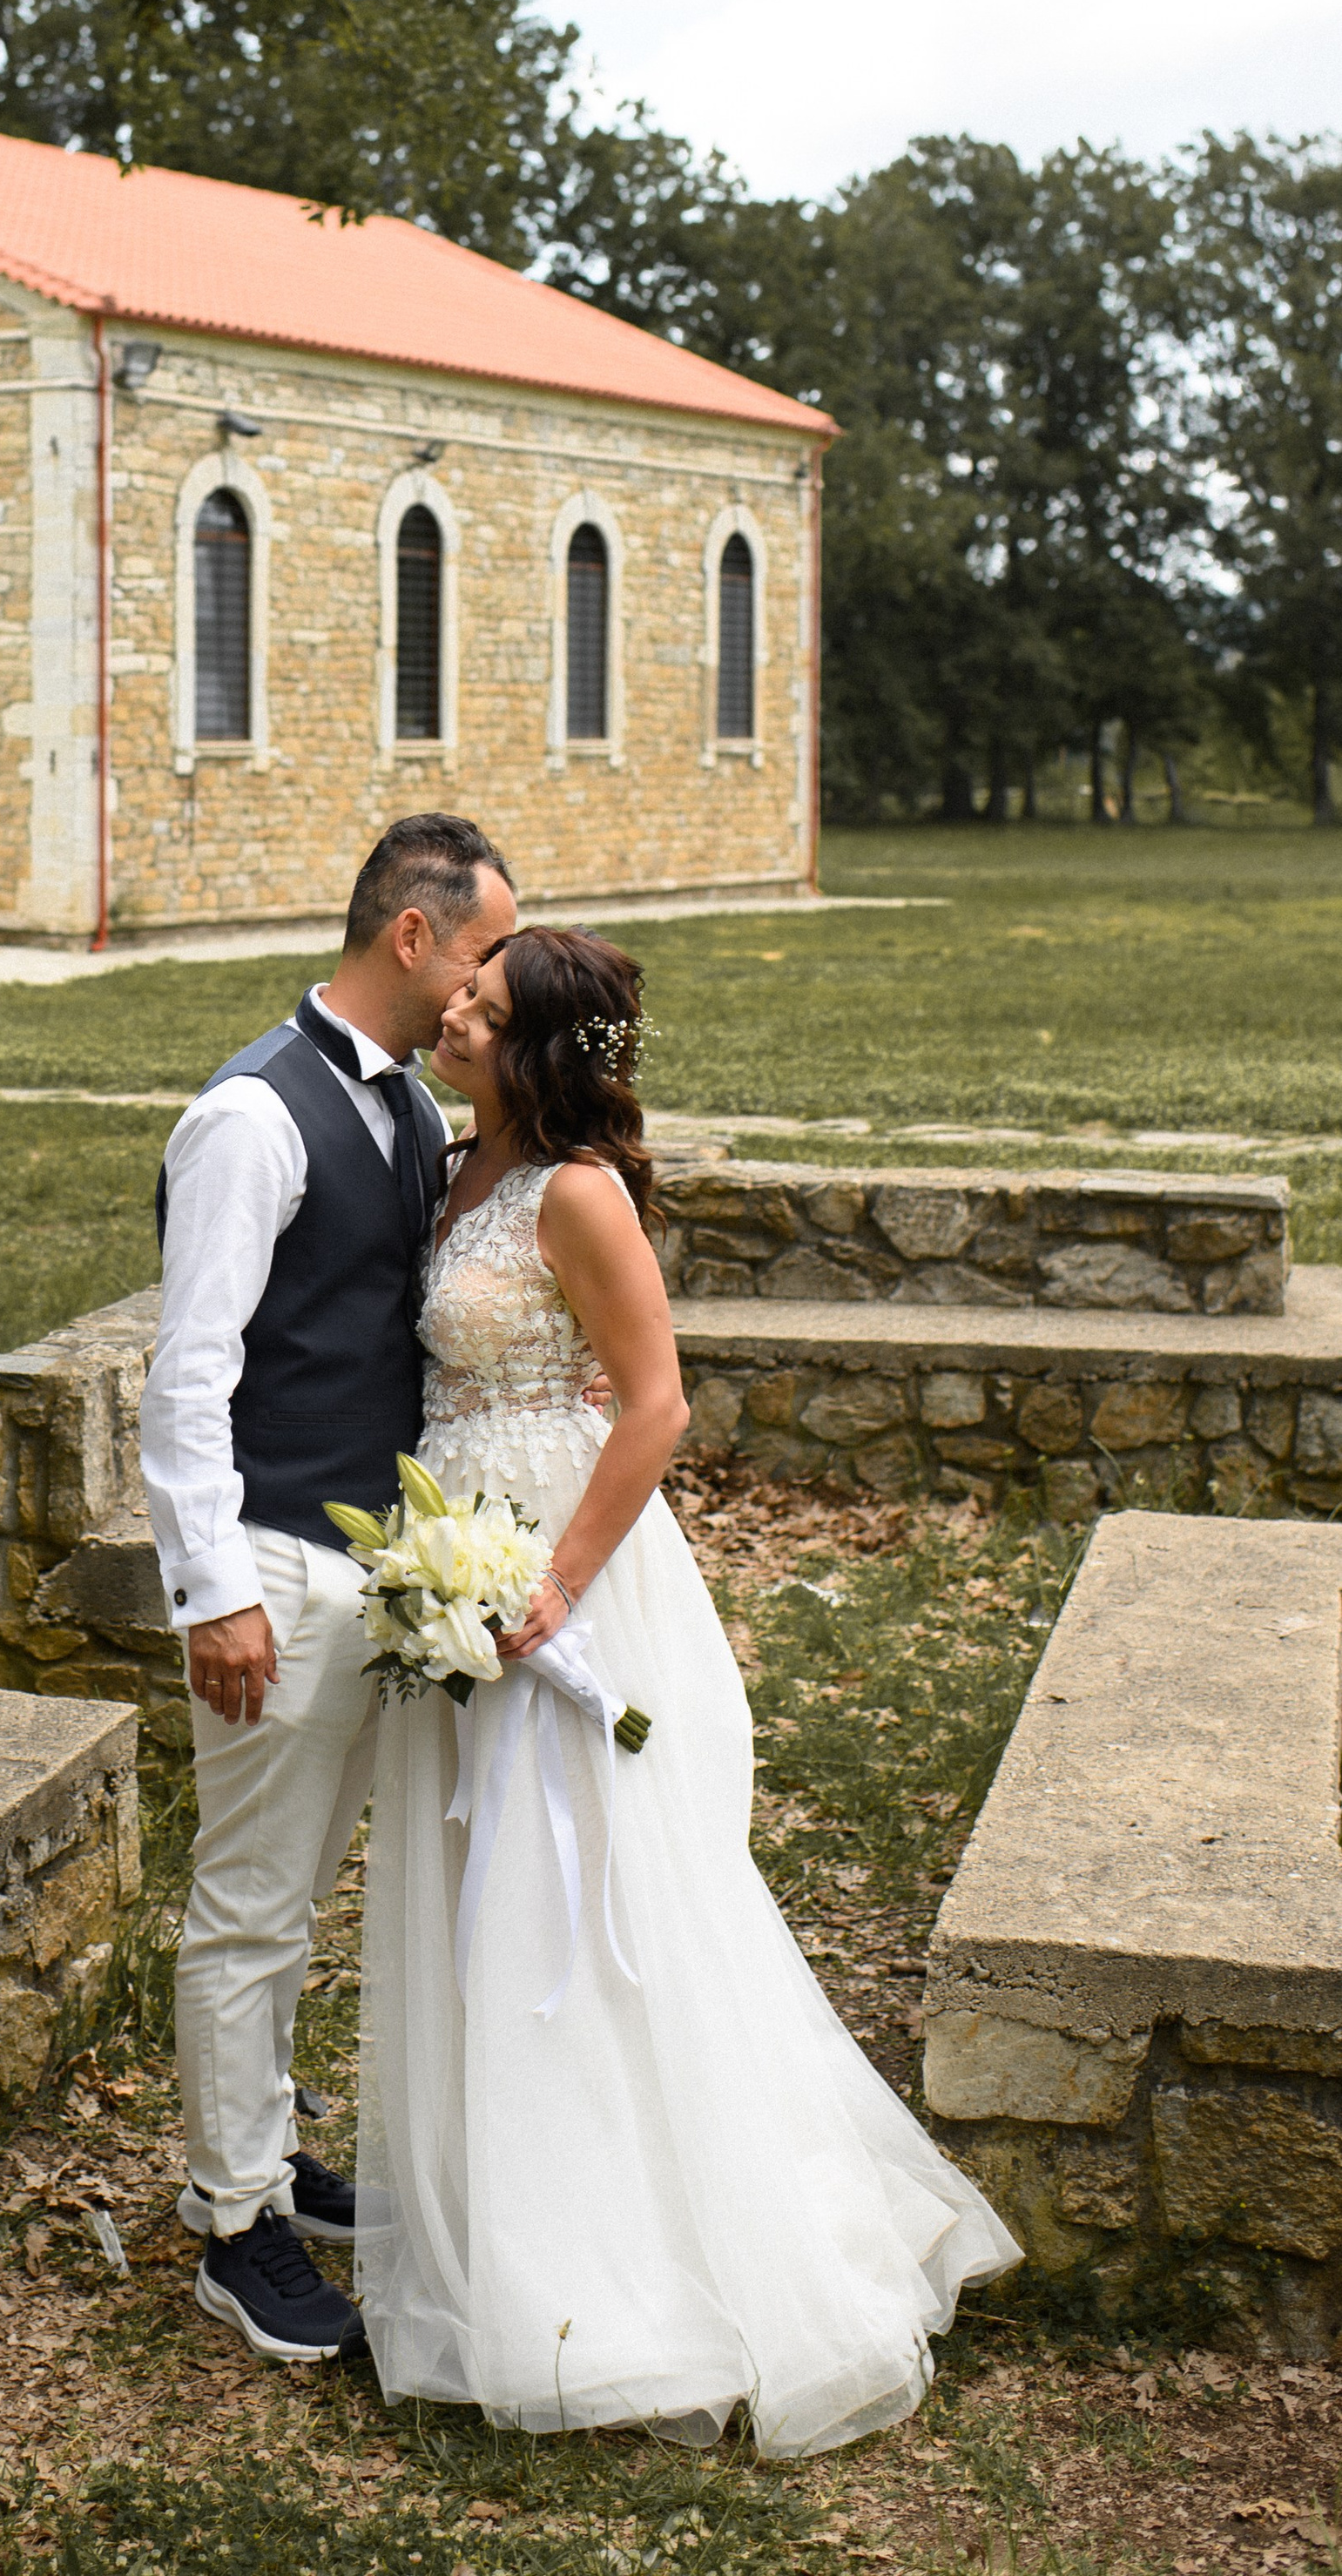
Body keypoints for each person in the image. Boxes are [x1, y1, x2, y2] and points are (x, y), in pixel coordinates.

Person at [355, 925, 1020, 2456]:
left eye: (485, 1004)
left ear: (536, 1055)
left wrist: (551, 1590)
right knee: (477, 1882)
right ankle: (504, 2217)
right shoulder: (458, 1166)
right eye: (461, 986)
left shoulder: (577, 1195)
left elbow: (655, 1405)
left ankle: (624, 2270)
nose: (452, 1006)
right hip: (457, 1548)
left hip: (555, 1574)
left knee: (579, 1896)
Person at [139, 813, 519, 2365]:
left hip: (378, 1573)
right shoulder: (250, 1117)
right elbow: (189, 1376)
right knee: (250, 1903)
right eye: (489, 948)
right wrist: (212, 1588)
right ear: (414, 939)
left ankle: (270, 2147)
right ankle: (234, 2225)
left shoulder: (414, 1104)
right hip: (280, 1571)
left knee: (305, 1898)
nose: (497, 978)